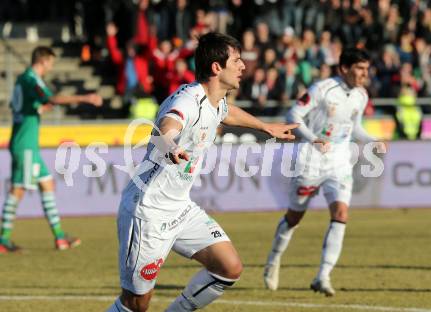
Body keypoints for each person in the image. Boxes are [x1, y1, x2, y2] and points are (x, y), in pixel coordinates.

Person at [107, 32, 297, 312]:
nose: (243, 66)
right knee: (136, 304)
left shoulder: (215, 101)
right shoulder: (187, 100)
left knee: (229, 267)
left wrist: (265, 127)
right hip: (148, 212)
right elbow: (162, 128)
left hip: (181, 209)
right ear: (216, 67)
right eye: (237, 60)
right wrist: (170, 146)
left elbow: (226, 112)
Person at [263, 48, 386, 296]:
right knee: (294, 217)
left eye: (366, 68)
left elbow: (355, 128)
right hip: (311, 159)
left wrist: (373, 140)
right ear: (344, 69)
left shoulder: (361, 95)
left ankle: (323, 276)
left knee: (341, 213)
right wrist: (312, 139)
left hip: (339, 161)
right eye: (359, 68)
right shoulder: (322, 89)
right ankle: (273, 260)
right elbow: (293, 114)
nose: (365, 73)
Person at [0, 46, 103, 254]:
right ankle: (3, 238)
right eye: (50, 63)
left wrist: (42, 107)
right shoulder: (32, 79)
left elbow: (25, 106)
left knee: (47, 184)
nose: (50, 68)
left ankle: (59, 237)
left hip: (25, 142)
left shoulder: (22, 80)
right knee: (17, 190)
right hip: (25, 144)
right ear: (44, 61)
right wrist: (85, 98)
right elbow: (51, 99)